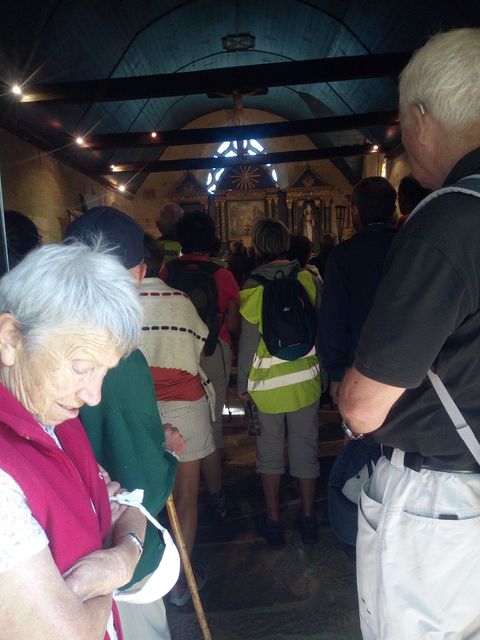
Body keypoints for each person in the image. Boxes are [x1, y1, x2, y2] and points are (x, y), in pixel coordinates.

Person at [339, 28, 480, 640]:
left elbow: (365, 406)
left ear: (421, 118)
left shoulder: (449, 221)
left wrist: (347, 402)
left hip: (443, 511)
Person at [0, 240, 147, 639]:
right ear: (11, 338)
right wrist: (114, 566)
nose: (94, 395)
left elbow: (127, 507)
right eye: (81, 367)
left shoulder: (54, 416)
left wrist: (122, 559)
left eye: (105, 371)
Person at [65, 207, 184, 640]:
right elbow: (142, 485)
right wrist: (167, 455)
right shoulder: (117, 355)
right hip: (108, 547)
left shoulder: (40, 339)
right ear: (139, 274)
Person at [140, 234, 214, 606]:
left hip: (139, 411)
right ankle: (182, 582)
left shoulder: (118, 306)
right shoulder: (180, 301)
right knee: (186, 495)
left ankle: (149, 575)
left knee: (144, 497)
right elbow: (197, 352)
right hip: (186, 405)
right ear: (159, 264)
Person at [237, 218, 321, 547]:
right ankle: (309, 518)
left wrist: (243, 386)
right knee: (306, 451)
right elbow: (319, 330)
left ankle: (273, 521)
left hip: (267, 387)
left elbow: (247, 344)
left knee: (269, 455)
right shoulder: (308, 279)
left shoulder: (251, 288)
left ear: (257, 247)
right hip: (306, 382)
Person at [161, 211, 240, 521]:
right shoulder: (222, 273)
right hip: (213, 350)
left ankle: (181, 487)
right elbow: (233, 322)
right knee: (211, 421)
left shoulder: (168, 271)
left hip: (176, 351)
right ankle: (217, 493)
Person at [319, 177, 397, 405]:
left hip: (358, 366)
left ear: (354, 212)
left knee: (363, 432)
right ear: (393, 209)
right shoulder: (411, 246)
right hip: (407, 362)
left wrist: (336, 373)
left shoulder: (343, 256)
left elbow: (333, 319)